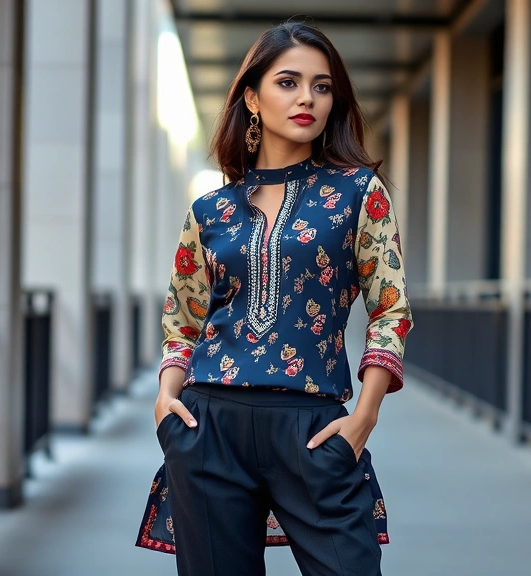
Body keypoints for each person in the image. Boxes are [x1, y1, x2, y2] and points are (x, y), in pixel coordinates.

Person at [136, 21, 413, 576]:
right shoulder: (210, 211)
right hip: (209, 426)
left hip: (313, 430)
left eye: (322, 86)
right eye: (288, 82)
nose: (307, 97)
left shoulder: (358, 192)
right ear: (251, 98)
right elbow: (183, 319)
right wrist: (167, 403)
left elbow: (390, 309)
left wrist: (364, 418)